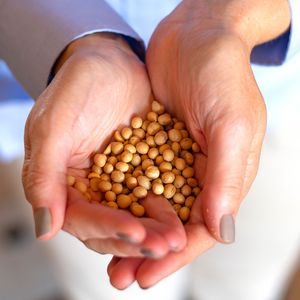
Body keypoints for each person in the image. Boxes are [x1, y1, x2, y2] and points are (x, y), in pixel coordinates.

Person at [0, 0, 299, 298]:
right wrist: (77, 41)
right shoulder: (106, 164)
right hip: (68, 116)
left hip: (268, 91)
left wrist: (226, 17)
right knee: (112, 285)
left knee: (247, 276)